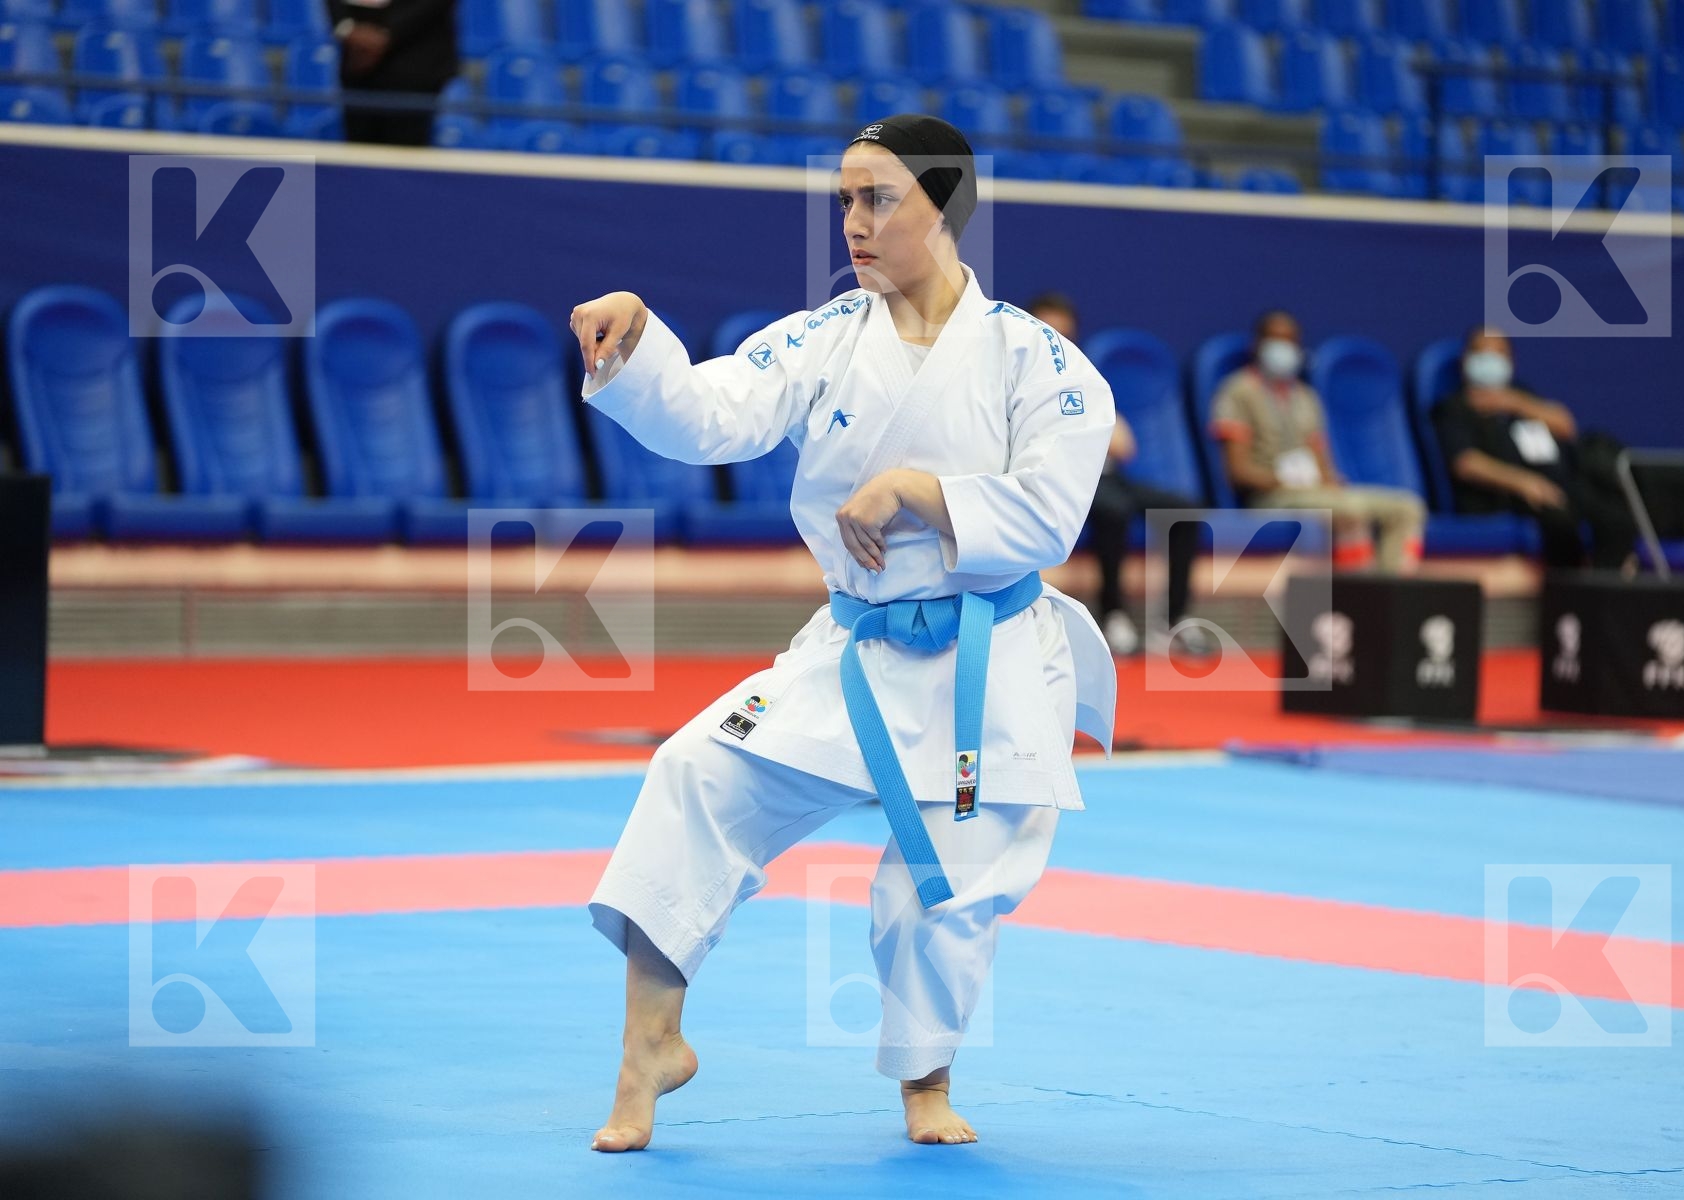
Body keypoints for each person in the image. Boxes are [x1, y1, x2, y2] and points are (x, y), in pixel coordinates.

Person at [568, 115, 1118, 1152]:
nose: (853, 223)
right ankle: (654, 1043)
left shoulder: (1041, 361)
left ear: (944, 207)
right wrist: (640, 340)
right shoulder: (825, 337)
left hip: (988, 662)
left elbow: (1051, 514)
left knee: (943, 895)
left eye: (878, 199)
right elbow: (711, 414)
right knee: (696, 775)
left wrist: (920, 491)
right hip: (856, 649)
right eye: (844, 201)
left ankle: (925, 1085)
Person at [1029, 293, 1202, 656]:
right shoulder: (1017, 379)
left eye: (1063, 333)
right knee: (1114, 510)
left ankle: (1174, 621)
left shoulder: (1082, 375)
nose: (1056, 339)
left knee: (1183, 510)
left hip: (1106, 475)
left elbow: (1124, 444)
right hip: (1058, 478)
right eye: (1048, 330)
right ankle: (1115, 616)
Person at [1209, 310, 1424, 573]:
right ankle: (1360, 602)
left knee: (1407, 507)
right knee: (1347, 510)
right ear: (1257, 345)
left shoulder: (1306, 397)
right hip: (1271, 496)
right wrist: (1285, 479)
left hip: (1314, 492)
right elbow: (1237, 472)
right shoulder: (1237, 391)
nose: (1282, 349)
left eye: (1290, 342)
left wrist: (1329, 481)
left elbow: (1322, 464)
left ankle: (1395, 596)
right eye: (1275, 341)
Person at [1432, 326, 1639, 569]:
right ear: (1466, 360)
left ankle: (1606, 591)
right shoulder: (1454, 408)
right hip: (1504, 495)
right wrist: (1524, 482)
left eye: (1498, 353)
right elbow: (1466, 463)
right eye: (1481, 352)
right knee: (1560, 521)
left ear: (1510, 361)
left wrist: (1513, 402)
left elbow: (1565, 425)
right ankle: (1568, 599)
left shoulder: (1520, 397)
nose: (1490, 359)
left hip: (1556, 484)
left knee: (1614, 516)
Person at [328, 0, 458, 147]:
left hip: (416, 72)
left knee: (406, 156)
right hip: (356, 68)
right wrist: (347, 29)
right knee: (360, 154)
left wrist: (384, 36)